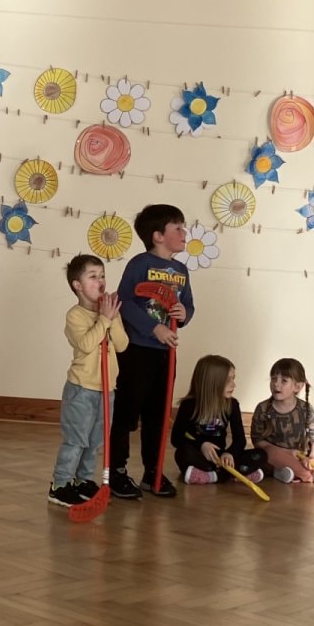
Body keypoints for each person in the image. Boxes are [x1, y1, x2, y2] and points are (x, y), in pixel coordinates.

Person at [107, 204, 194, 500]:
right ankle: (117, 471)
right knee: (127, 413)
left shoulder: (181, 271)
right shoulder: (140, 264)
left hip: (166, 353)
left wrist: (184, 313)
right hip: (137, 351)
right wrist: (153, 328)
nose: (184, 233)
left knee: (158, 414)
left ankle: (153, 472)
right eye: (178, 228)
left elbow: (188, 305)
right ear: (158, 235)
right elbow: (125, 302)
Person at [50, 253, 129, 508]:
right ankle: (60, 484)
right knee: (76, 440)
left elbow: (122, 344)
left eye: (102, 275)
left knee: (95, 441)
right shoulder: (75, 315)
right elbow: (85, 344)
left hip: (107, 389)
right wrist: (104, 320)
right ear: (78, 285)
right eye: (93, 276)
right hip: (82, 389)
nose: (100, 281)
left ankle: (83, 480)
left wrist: (111, 319)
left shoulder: (111, 313)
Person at [250, 357, 314, 485]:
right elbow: (258, 441)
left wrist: (313, 458)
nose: (276, 384)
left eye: (284, 380)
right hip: (277, 456)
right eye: (273, 379)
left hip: (302, 458)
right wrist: (289, 452)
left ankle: (295, 473)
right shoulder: (263, 408)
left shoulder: (306, 409)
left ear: (298, 386)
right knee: (268, 453)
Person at [173, 354, 266, 485]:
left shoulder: (232, 405)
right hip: (200, 455)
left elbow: (240, 439)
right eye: (228, 380)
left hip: (221, 457)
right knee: (182, 453)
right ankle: (232, 473)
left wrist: (229, 454)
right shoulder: (188, 405)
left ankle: (213, 475)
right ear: (212, 382)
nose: (234, 385)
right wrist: (201, 445)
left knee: (261, 454)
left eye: (233, 379)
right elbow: (176, 438)